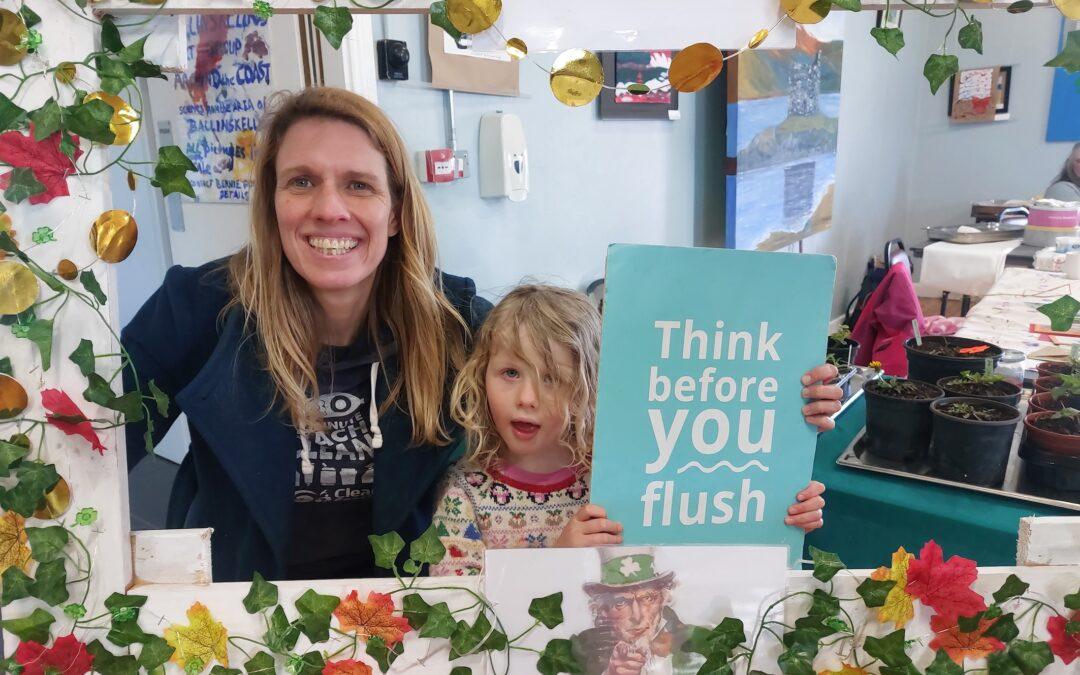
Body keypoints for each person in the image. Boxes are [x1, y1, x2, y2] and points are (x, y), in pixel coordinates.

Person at [122, 87, 491, 582]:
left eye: (359, 185)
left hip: (409, 605)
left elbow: (565, 435)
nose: (329, 208)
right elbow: (89, 448)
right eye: (302, 181)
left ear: (396, 212)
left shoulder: (459, 322)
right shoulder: (197, 306)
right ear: (273, 204)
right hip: (241, 602)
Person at [429, 285, 833, 577]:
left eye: (552, 378)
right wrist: (556, 562)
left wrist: (778, 509)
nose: (527, 398)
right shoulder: (464, 494)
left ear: (590, 387)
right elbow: (456, 609)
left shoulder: (631, 477)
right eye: (510, 373)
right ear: (481, 375)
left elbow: (707, 542)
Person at [572, 547, 702, 675]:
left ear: (662, 599)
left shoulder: (695, 642)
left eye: (647, 598)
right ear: (603, 610)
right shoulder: (581, 652)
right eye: (620, 602)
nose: (637, 616)